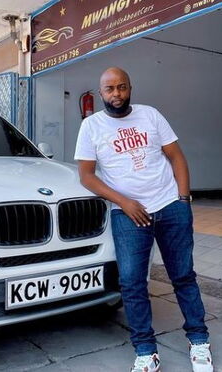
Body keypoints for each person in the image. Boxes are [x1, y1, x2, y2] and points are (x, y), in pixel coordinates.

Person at [74, 67, 213, 372]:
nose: (116, 94)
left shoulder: (150, 115)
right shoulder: (91, 127)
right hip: (127, 214)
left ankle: (199, 341)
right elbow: (86, 175)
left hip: (169, 206)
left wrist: (184, 200)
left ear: (130, 88)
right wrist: (124, 202)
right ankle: (145, 350)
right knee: (132, 283)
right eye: (109, 89)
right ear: (101, 94)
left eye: (121, 87)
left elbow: (176, 157)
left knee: (183, 276)